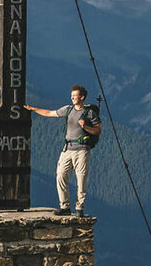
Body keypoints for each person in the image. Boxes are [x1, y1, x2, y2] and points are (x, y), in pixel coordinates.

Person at [25, 85, 101, 217]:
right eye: (71, 95)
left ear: (82, 97)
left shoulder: (89, 113)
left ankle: (79, 208)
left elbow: (98, 130)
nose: (72, 97)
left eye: (75, 95)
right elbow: (50, 113)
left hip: (82, 150)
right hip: (67, 149)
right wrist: (33, 109)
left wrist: (86, 127)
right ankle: (64, 206)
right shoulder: (68, 110)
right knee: (60, 175)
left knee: (81, 179)